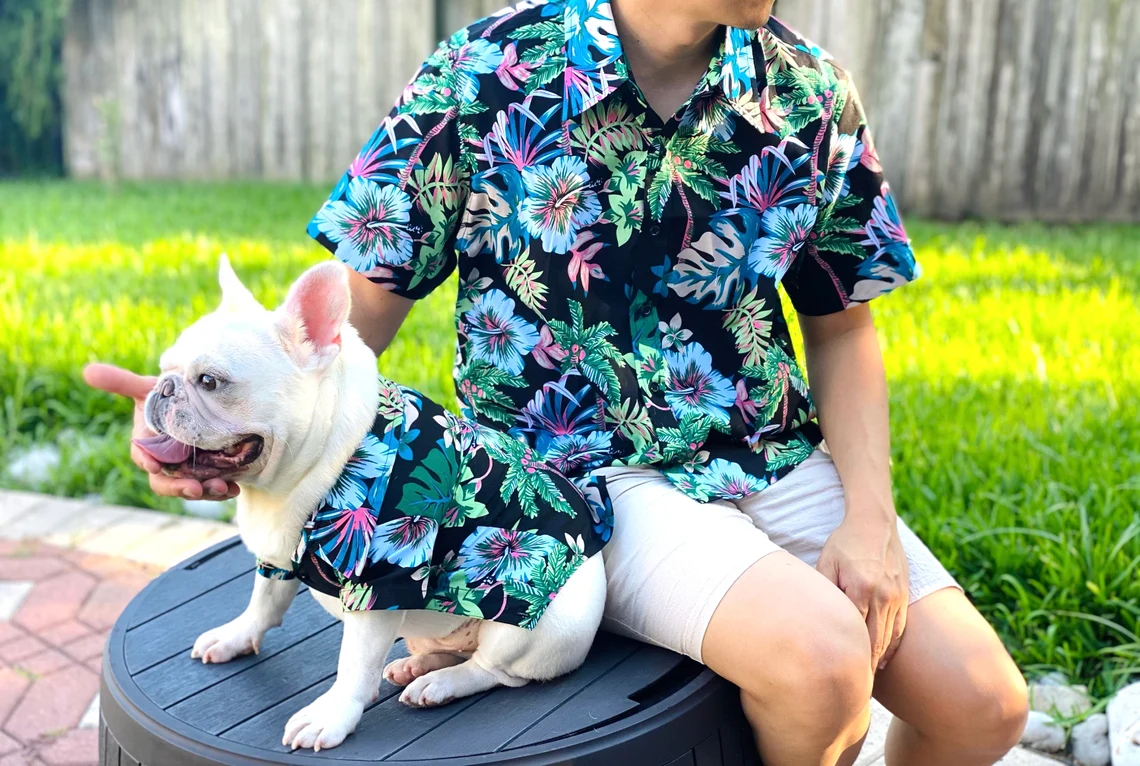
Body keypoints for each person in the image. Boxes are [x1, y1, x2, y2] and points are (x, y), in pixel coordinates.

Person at [85, 1, 1030, 763]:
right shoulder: (484, 71)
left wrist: (868, 517)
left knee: (982, 706)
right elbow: (338, 335)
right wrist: (216, 426)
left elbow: (843, 321)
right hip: (569, 486)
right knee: (823, 664)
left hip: (765, 451)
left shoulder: (809, 95)